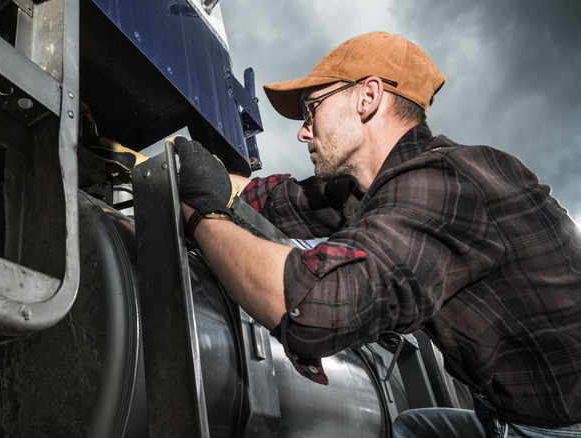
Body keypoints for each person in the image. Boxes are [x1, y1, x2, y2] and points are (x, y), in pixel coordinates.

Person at [172, 31, 581, 438]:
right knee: (411, 426)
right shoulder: (371, 187)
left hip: (559, 427)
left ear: (368, 97)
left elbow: (311, 310)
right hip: (507, 412)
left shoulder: (447, 181)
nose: (303, 131)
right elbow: (278, 199)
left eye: (311, 110)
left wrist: (203, 218)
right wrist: (189, 173)